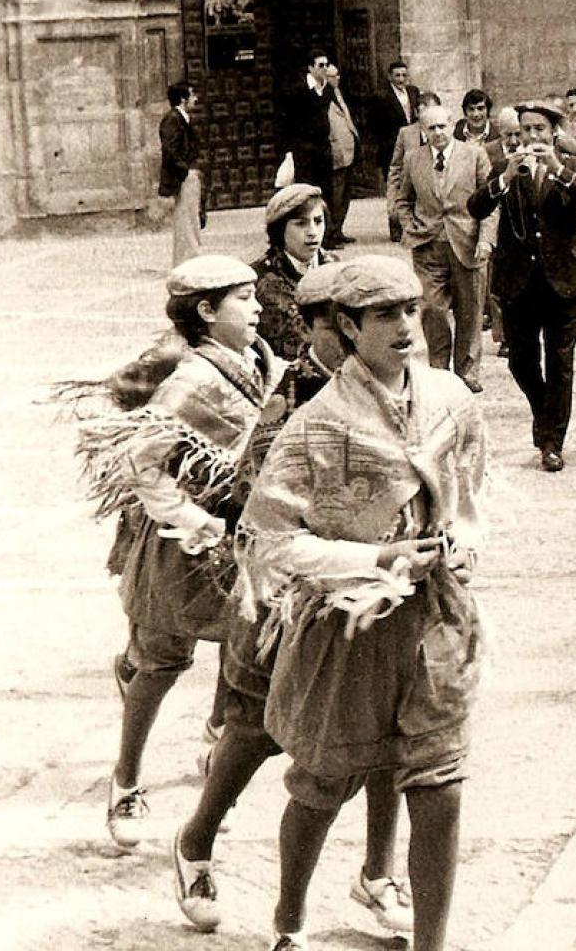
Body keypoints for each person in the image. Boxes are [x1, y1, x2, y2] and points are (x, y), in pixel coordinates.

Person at [239, 255, 487, 951]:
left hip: (436, 615)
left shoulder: (450, 399)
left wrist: (465, 542)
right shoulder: (316, 425)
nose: (406, 325)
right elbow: (268, 539)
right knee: (325, 782)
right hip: (347, 626)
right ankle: (289, 920)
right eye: (384, 314)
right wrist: (373, 559)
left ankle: (432, 945)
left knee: (440, 784)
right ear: (347, 327)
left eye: (411, 309)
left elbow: (472, 492)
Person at [168, 260, 413, 940]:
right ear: (314, 327)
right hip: (288, 599)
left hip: (373, 591)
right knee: (258, 730)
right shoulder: (296, 401)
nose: (355, 331)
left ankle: (377, 874)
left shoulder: (394, 392)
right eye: (340, 320)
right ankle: (195, 841)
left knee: (392, 731)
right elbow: (250, 508)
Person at [72, 256, 285, 851]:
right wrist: (190, 519)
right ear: (207, 312)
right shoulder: (191, 379)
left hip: (238, 536)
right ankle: (126, 780)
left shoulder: (259, 359)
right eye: (244, 299)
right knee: (162, 663)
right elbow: (141, 462)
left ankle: (217, 753)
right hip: (180, 543)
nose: (259, 307)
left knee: (238, 654)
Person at [469, 102, 576, 468]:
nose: (532, 136)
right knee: (521, 363)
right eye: (526, 130)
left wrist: (558, 170)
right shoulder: (504, 169)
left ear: (554, 131)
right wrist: (505, 178)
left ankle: (552, 441)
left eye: (540, 129)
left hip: (563, 282)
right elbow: (475, 208)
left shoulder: (572, 167)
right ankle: (544, 415)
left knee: (561, 363)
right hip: (518, 284)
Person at [394, 104, 493, 390]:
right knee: (431, 308)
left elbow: (491, 203)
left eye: (442, 127)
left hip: (467, 242)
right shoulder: (413, 159)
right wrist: (410, 224)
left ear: (452, 125)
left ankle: (467, 371)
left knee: (470, 310)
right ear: (422, 131)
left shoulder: (474, 154)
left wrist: (486, 239)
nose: (437, 133)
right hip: (428, 245)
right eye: (431, 128)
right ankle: (439, 367)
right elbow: (403, 199)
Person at [251, 184, 332, 361]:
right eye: (301, 224)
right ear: (280, 230)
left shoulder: (334, 268)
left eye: (318, 221)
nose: (313, 232)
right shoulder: (258, 278)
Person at [384, 91, 443, 245]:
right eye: (425, 112)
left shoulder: (444, 133)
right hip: (412, 192)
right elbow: (395, 168)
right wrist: (392, 201)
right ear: (417, 112)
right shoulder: (406, 133)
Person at [281, 51, 336, 219]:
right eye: (321, 66)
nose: (325, 69)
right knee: (306, 189)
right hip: (304, 147)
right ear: (311, 68)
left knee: (326, 189)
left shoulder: (327, 89)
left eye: (327, 65)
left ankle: (328, 232)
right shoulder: (298, 89)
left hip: (323, 147)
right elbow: (288, 120)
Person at [159, 81, 205, 266]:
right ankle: (189, 258)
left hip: (187, 175)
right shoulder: (172, 119)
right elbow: (170, 150)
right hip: (184, 177)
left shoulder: (181, 118)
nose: (195, 99)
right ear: (183, 99)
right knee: (186, 218)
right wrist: (185, 172)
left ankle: (188, 257)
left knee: (190, 217)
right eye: (192, 95)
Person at [321, 64, 363, 246]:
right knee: (335, 196)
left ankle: (338, 230)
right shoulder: (323, 98)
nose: (336, 79)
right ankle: (329, 233)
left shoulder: (339, 94)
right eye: (331, 76)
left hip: (348, 151)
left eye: (337, 75)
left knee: (345, 194)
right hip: (336, 153)